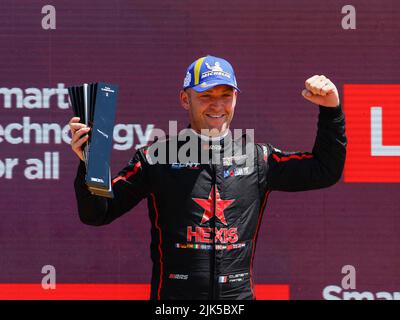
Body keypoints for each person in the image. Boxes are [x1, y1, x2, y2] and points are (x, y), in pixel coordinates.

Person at [69, 55, 347, 300]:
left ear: (237, 98)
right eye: (206, 95)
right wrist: (89, 164)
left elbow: (325, 170)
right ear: (184, 99)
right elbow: (98, 213)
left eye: (226, 95)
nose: (217, 105)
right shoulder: (155, 157)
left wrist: (331, 110)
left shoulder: (257, 159)